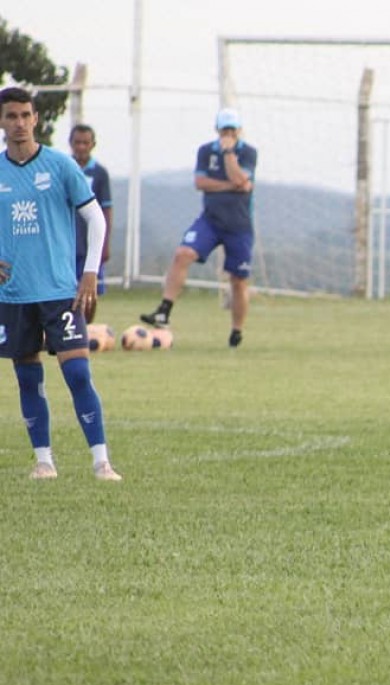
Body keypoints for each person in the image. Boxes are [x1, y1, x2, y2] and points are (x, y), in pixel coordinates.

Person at [0, 87, 121, 481]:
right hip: (14, 294)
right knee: (27, 378)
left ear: (36, 119)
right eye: (11, 116)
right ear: (1, 122)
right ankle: (44, 462)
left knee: (78, 374)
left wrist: (90, 272)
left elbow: (95, 218)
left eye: (25, 115)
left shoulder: (60, 166)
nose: (19, 123)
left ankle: (102, 462)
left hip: (59, 292)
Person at [141, 107, 257, 347]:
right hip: (210, 220)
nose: (228, 134)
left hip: (239, 225)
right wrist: (232, 186)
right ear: (217, 129)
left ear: (239, 130)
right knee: (183, 253)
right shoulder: (205, 151)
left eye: (232, 130)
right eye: (224, 130)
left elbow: (240, 178)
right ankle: (164, 310)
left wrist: (229, 154)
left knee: (238, 280)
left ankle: (236, 332)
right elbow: (201, 182)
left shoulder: (248, 152)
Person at [68, 124, 112, 324]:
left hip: (90, 241)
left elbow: (106, 209)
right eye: (77, 142)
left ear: (93, 144)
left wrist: (105, 243)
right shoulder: (65, 168)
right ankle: (70, 326)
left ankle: (87, 327)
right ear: (71, 144)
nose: (81, 147)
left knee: (90, 289)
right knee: (68, 289)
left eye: (85, 143)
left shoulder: (99, 173)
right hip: (69, 240)